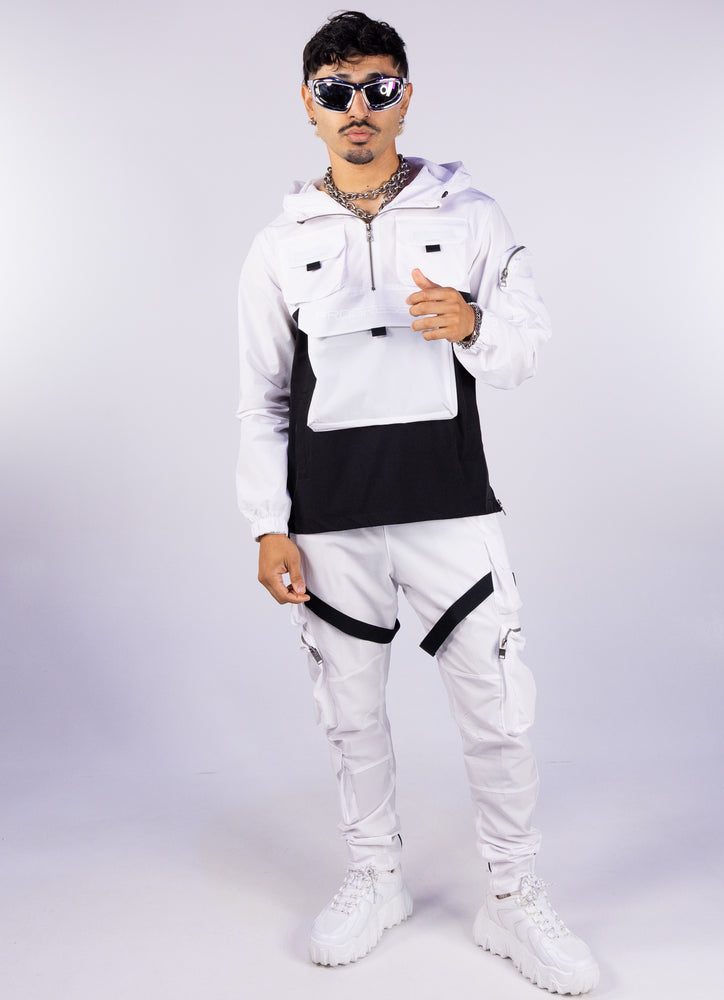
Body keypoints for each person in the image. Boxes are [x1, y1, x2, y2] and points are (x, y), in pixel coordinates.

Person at [236, 10, 599, 994]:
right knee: (350, 714)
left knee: (498, 709)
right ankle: (375, 878)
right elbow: (262, 398)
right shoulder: (277, 244)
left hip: (449, 505)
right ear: (308, 104)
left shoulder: (470, 216)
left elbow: (524, 347)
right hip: (328, 522)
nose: (356, 107)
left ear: (405, 96)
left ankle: (513, 897)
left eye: (377, 88)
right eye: (336, 91)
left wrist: (473, 320)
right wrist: (267, 522)